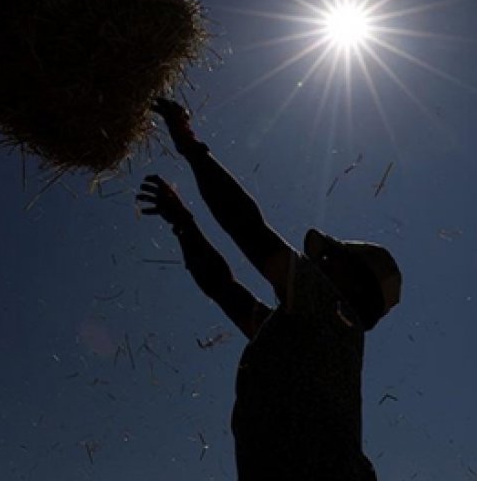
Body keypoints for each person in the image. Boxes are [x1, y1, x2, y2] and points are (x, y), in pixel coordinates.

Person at [136, 98, 402, 481]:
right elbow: (224, 288)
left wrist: (191, 147)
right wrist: (184, 224)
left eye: (334, 260)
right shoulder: (304, 337)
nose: (322, 263)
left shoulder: (333, 314)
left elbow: (248, 229)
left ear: (357, 284)